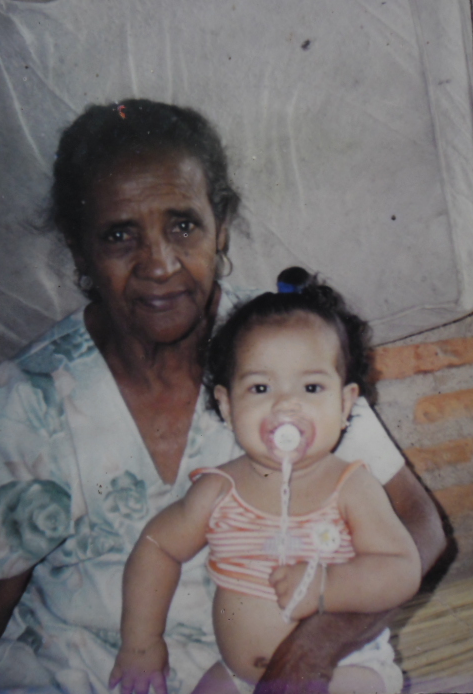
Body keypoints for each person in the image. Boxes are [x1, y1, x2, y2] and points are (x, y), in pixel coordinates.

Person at [0, 99, 446, 694]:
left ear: (220, 226)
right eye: (119, 235)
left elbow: (418, 524)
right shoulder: (27, 401)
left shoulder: (286, 348)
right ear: (79, 249)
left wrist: (312, 649)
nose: (159, 265)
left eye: (183, 226)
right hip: (92, 674)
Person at [111, 271, 420, 694]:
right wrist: (141, 643)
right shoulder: (218, 491)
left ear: (345, 403)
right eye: (260, 387)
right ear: (227, 405)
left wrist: (328, 587)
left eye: (311, 386)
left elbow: (402, 568)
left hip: (343, 669)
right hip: (239, 676)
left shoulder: (351, 488)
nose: (286, 404)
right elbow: (157, 547)